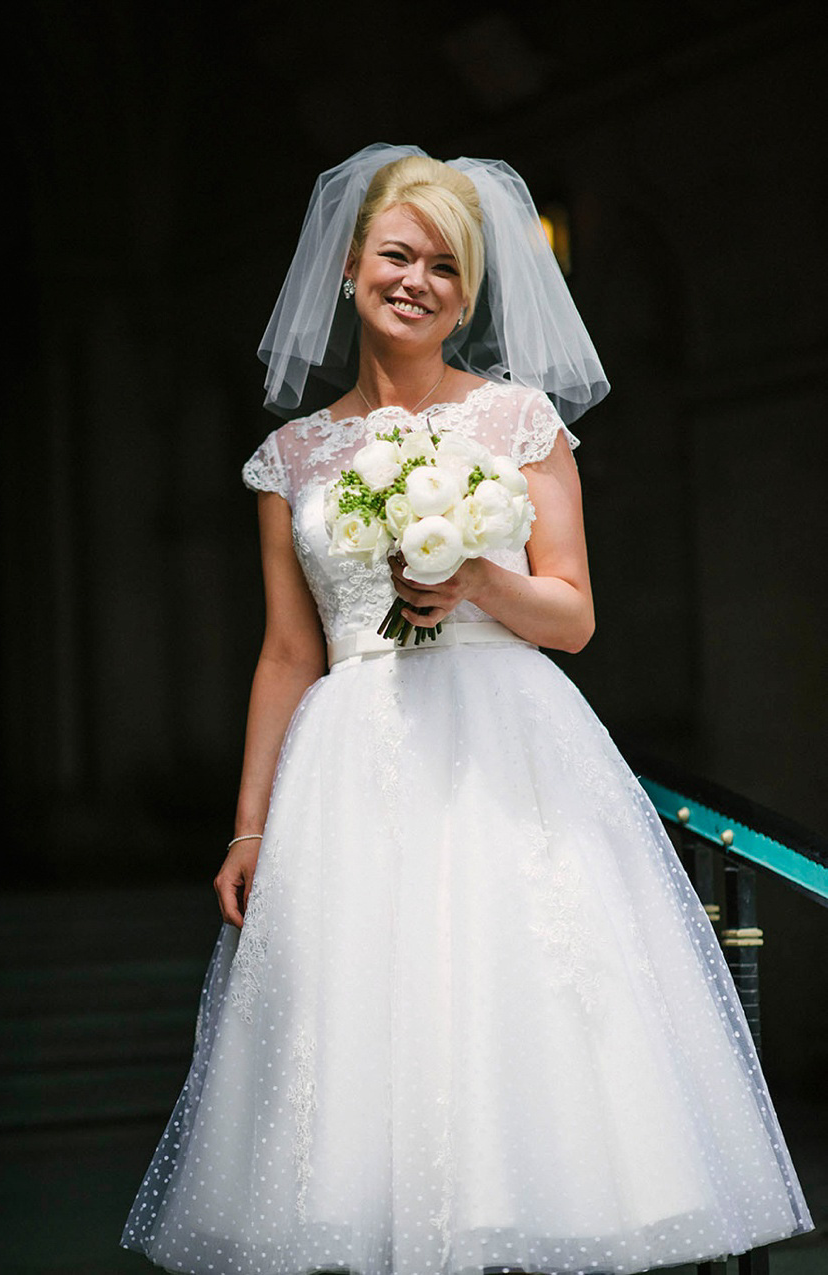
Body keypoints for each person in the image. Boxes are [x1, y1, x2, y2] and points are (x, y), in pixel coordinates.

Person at [122, 145, 813, 1275]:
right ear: (350, 268)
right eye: (397, 256)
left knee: (524, 1025)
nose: (417, 281)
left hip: (508, 752)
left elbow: (574, 617)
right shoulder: (293, 456)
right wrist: (250, 827)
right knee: (362, 1050)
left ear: (470, 292)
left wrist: (475, 580)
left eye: (445, 267)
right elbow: (288, 653)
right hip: (354, 762)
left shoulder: (517, 421)